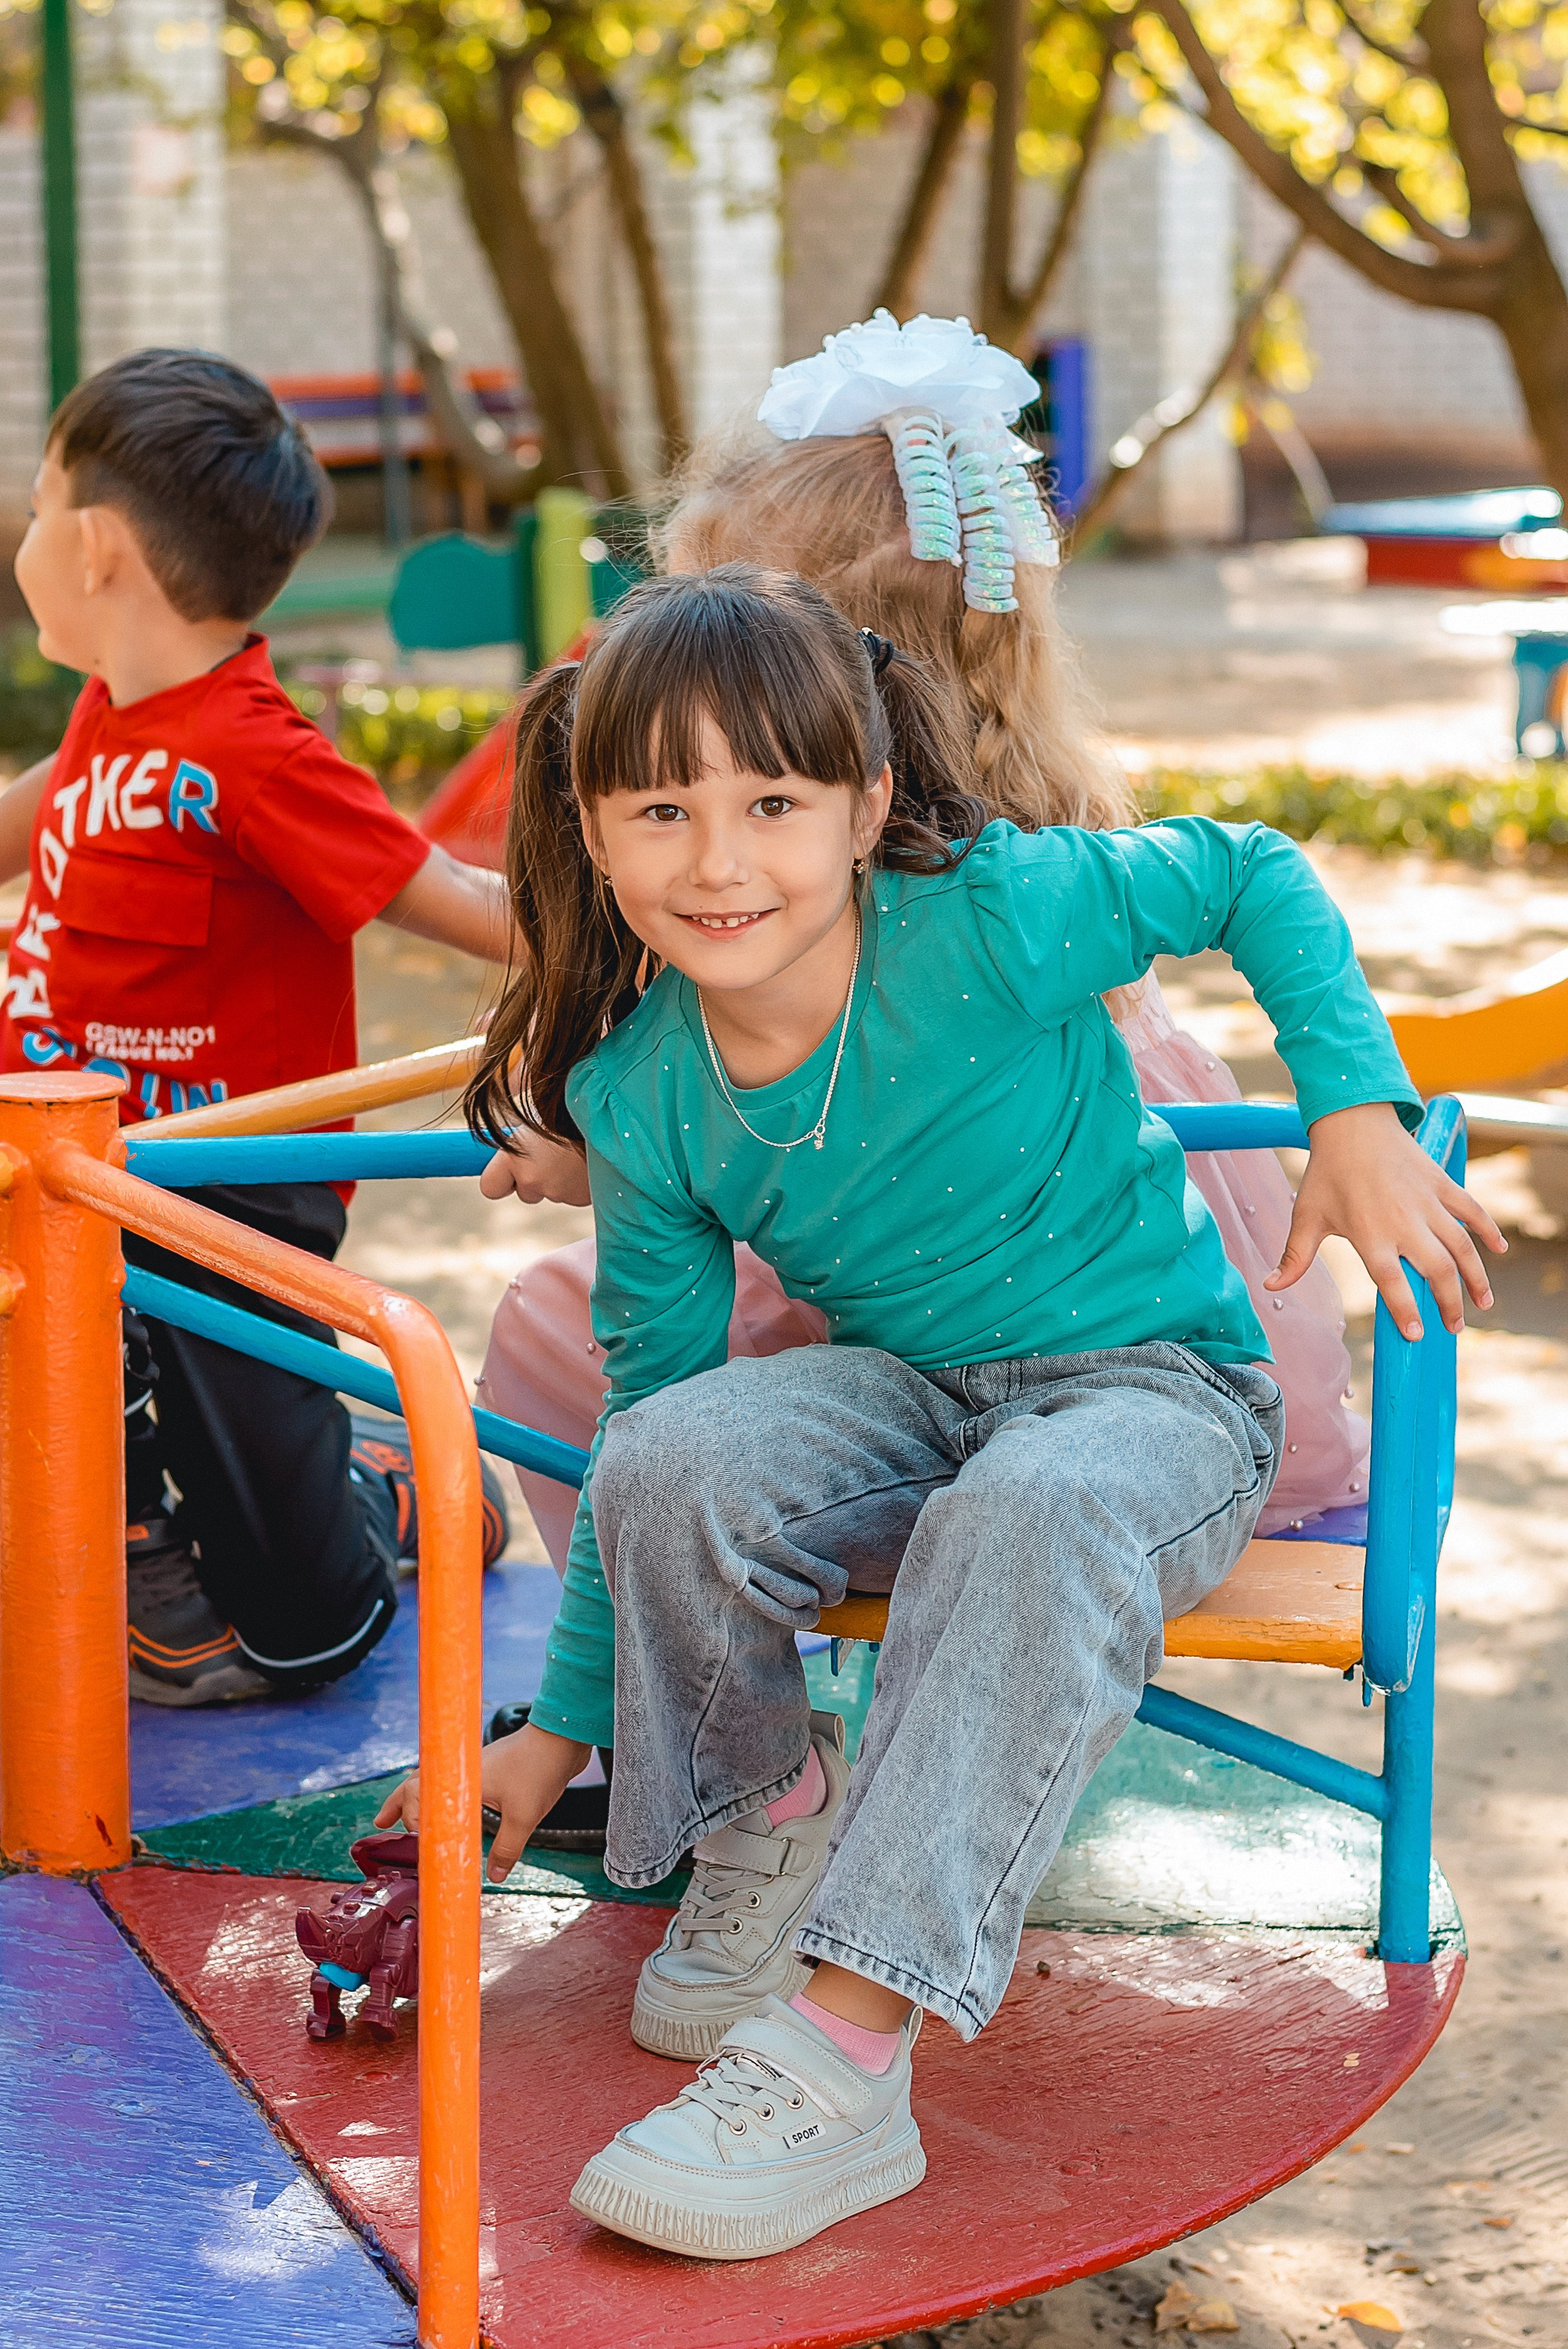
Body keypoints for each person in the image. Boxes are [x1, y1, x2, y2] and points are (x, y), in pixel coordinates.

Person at [380, 562, 1501, 2258]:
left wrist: (1354, 1104)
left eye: (774, 799)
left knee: (1029, 1506)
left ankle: (843, 2052)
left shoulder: (985, 915)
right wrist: (552, 1731)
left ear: (867, 803)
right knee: (680, 1453)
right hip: (914, 1393)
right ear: (593, 834)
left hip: (1155, 1393)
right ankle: (763, 1821)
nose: (721, 859)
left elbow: (1248, 872)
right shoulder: (645, 1088)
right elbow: (649, 1418)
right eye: (662, 809)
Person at [476, 315, 1371, 1597]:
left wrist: (619, 1156)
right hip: (1184, 1338)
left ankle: (704, 1702)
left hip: (1014, 1336)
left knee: (554, 1334)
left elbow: (835, 1165)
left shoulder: (912, 902)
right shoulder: (1024, 840)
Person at [3, 346, 510, 1706]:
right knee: (48, 1310)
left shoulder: (255, 754)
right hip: (70, 1167)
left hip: (225, 1194)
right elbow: (28, 817)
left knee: (300, 1636)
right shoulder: (113, 714)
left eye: (41, 501)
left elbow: (456, 898)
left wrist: (677, 931)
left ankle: (390, 1491)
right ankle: (127, 1538)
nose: (28, 530)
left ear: (98, 545)